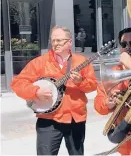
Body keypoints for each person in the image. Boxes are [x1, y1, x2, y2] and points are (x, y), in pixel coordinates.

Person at [10, 26, 98, 155]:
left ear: (70, 42)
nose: (55, 44)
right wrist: (35, 91)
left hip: (75, 117)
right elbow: (17, 83)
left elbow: (93, 86)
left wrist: (80, 82)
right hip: (48, 119)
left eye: (59, 40)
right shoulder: (40, 62)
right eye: (53, 40)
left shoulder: (81, 61)